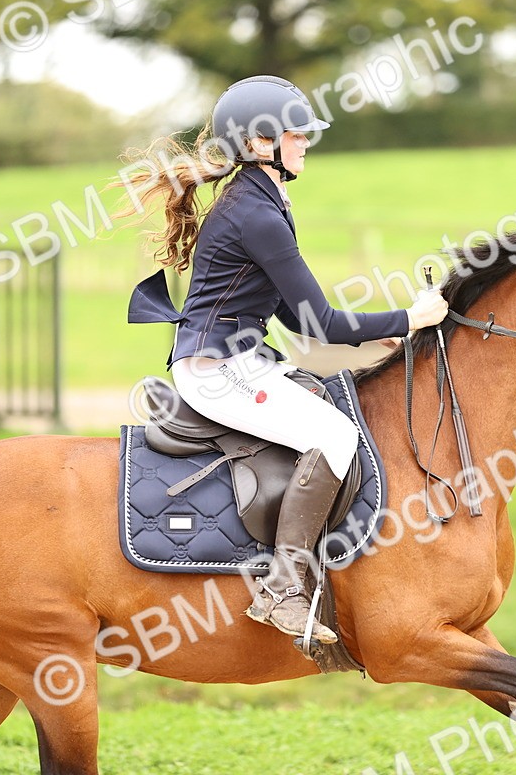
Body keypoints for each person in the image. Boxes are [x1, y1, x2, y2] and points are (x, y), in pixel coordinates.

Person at [122, 75, 448, 644]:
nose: (305, 143)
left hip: (241, 361)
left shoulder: (262, 201)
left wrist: (377, 337)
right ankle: (281, 590)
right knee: (336, 436)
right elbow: (323, 321)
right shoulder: (257, 214)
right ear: (258, 144)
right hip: (216, 372)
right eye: (295, 134)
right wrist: (409, 317)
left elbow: (297, 320)